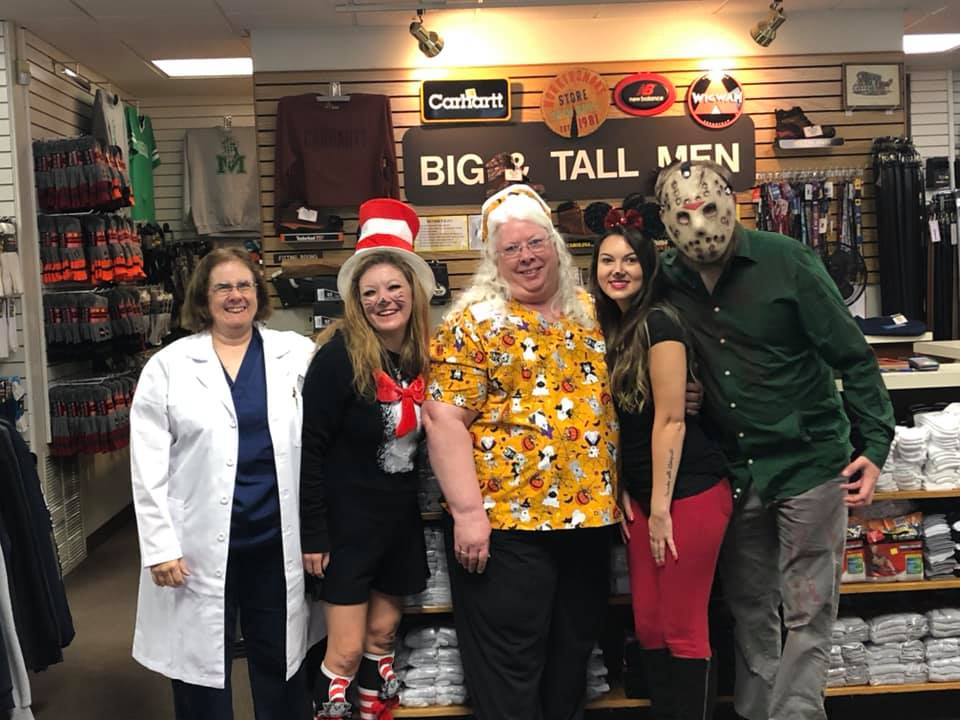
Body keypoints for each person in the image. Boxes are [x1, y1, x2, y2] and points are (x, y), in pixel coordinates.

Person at [654, 160, 895, 720]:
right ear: (666, 224)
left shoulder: (787, 261)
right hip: (737, 468)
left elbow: (853, 355)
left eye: (708, 209)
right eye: (683, 217)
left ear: (732, 203)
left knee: (809, 610)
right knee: (749, 608)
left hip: (809, 461)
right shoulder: (666, 277)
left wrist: (875, 444)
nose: (699, 226)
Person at [423, 184, 619, 720]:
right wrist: (468, 514)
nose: (526, 256)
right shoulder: (473, 322)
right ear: (494, 259)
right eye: (511, 249)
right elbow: (443, 420)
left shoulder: (591, 312)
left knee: (571, 662)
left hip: (587, 522)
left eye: (535, 243)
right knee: (510, 669)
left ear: (555, 244)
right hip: (507, 527)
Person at [130, 247, 316, 720]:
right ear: (203, 298)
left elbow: (320, 443)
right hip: (196, 545)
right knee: (200, 666)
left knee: (281, 659)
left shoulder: (296, 353)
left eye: (244, 285)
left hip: (275, 538)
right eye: (223, 287)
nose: (236, 296)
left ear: (258, 293)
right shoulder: (170, 366)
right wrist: (159, 546)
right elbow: (147, 464)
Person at [590, 204, 731, 720]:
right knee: (650, 625)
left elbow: (671, 421)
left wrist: (661, 508)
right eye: (607, 260)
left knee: (682, 625)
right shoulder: (613, 327)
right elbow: (621, 424)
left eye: (630, 260)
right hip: (646, 497)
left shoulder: (659, 323)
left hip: (687, 493)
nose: (618, 270)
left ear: (648, 268)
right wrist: (628, 488)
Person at [299, 198, 435, 720]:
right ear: (357, 302)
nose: (384, 300)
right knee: (346, 650)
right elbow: (310, 450)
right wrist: (315, 533)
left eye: (394, 288)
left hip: (397, 522)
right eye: (370, 292)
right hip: (347, 526)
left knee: (382, 637)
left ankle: (377, 711)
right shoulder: (337, 359)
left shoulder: (420, 356)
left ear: (413, 292)